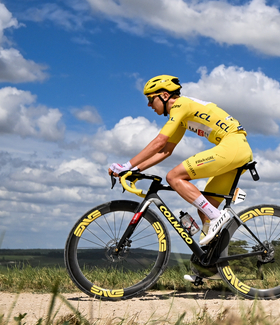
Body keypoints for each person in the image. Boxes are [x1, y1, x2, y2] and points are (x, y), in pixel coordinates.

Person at [108, 75, 252, 262]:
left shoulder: (180, 105)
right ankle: (212, 266)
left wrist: (126, 166)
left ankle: (217, 217)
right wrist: (136, 170)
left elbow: (159, 142)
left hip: (232, 146)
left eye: (151, 99)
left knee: (174, 177)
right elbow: (166, 151)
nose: (149, 105)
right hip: (236, 149)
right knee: (205, 209)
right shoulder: (183, 116)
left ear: (165, 95)